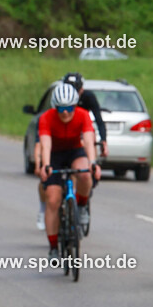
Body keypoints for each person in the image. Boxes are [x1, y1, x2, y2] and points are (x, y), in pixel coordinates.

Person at [36, 72, 107, 229]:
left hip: (75, 149)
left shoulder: (84, 111)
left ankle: (81, 208)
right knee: (53, 199)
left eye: (69, 108)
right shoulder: (47, 117)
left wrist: (93, 162)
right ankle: (53, 247)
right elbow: (45, 144)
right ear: (56, 107)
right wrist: (46, 165)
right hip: (55, 153)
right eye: (61, 109)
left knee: (84, 174)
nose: (65, 112)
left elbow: (89, 140)